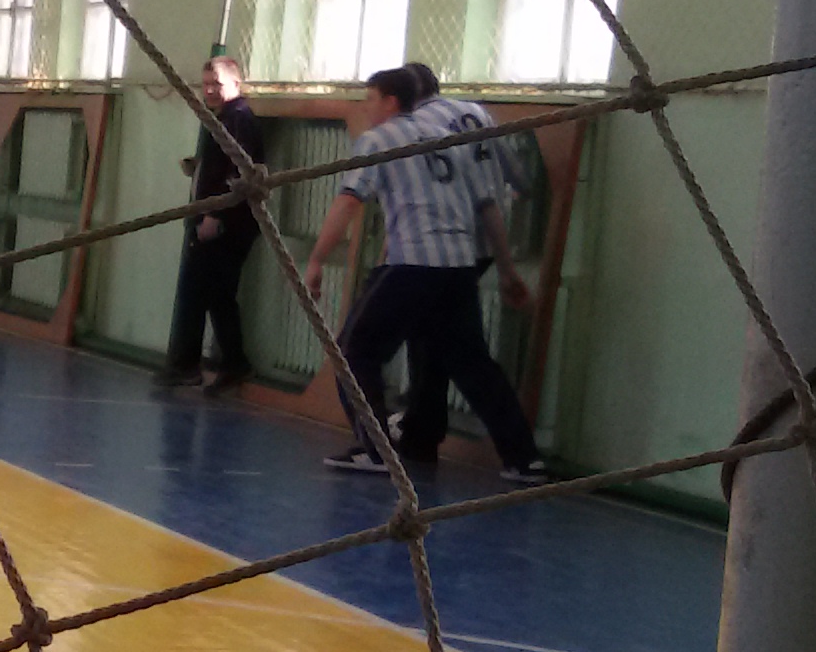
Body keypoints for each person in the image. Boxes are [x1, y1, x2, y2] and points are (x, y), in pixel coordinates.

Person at [299, 67, 549, 483]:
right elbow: (489, 204)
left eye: (370, 99)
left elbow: (349, 201)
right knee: (471, 361)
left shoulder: (379, 139)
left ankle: (375, 449)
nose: (366, 108)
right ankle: (523, 459)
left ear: (391, 101)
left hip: (413, 261)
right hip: (459, 264)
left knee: (353, 353)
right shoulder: (448, 139)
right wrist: (506, 269)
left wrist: (316, 259)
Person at [395, 60, 518, 461]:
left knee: (454, 350)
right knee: (435, 341)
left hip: (447, 245)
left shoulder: (418, 126)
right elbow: (516, 176)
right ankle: (422, 431)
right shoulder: (476, 112)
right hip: (483, 242)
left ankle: (517, 449)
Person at [160, 54, 266, 392]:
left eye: (216, 84)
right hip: (220, 218)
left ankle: (195, 365)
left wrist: (214, 216)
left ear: (236, 83)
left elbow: (240, 171)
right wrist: (200, 167)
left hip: (226, 223)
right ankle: (230, 363)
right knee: (216, 295)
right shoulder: (224, 119)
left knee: (202, 291)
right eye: (205, 84)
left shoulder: (238, 120)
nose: (209, 90)